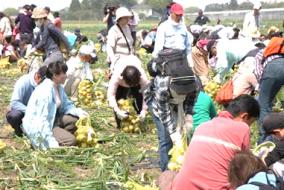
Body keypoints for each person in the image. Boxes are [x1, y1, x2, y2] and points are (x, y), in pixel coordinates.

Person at [169, 95, 260, 190]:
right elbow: (245, 166)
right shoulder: (242, 128)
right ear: (244, 116)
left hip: (181, 186)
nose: (249, 127)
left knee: (168, 175)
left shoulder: (203, 126)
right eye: (250, 123)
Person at [145, 3, 196, 172]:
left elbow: (191, 99)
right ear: (171, 13)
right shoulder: (163, 86)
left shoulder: (191, 83)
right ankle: (165, 172)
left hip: (182, 65)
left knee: (183, 132)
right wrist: (174, 134)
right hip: (159, 100)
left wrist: (188, 115)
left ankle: (180, 170)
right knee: (166, 137)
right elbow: (164, 111)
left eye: (182, 14)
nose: (180, 17)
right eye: (177, 14)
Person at [22, 62, 88, 150]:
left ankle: (60, 135)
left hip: (53, 119)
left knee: (75, 120)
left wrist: (79, 113)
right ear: (55, 75)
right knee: (71, 141)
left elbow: (66, 105)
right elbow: (42, 120)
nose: (66, 75)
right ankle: (57, 139)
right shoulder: (45, 92)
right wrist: (51, 142)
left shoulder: (58, 87)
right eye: (63, 73)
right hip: (41, 125)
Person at [107, 55, 149, 128]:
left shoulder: (142, 77)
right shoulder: (117, 76)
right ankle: (120, 123)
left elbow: (146, 94)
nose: (131, 86)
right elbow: (111, 95)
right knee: (119, 98)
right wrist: (116, 110)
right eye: (130, 84)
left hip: (134, 63)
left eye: (134, 84)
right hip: (121, 69)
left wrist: (144, 110)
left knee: (139, 98)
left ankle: (139, 120)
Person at [6, 67, 47, 136]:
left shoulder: (44, 85)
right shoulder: (24, 81)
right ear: (38, 77)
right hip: (23, 111)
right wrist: (31, 111)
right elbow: (15, 102)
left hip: (37, 112)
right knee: (14, 116)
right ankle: (19, 131)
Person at [255, 48, 284, 143]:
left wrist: (262, 85)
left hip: (273, 67)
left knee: (263, 105)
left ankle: (264, 139)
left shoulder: (263, 51)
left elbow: (258, 70)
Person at [107, 7, 134, 71]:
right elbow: (109, 47)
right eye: (125, 17)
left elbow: (130, 44)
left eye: (128, 17)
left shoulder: (127, 28)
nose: (128, 19)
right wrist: (113, 61)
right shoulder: (113, 30)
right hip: (118, 62)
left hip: (129, 60)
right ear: (120, 18)